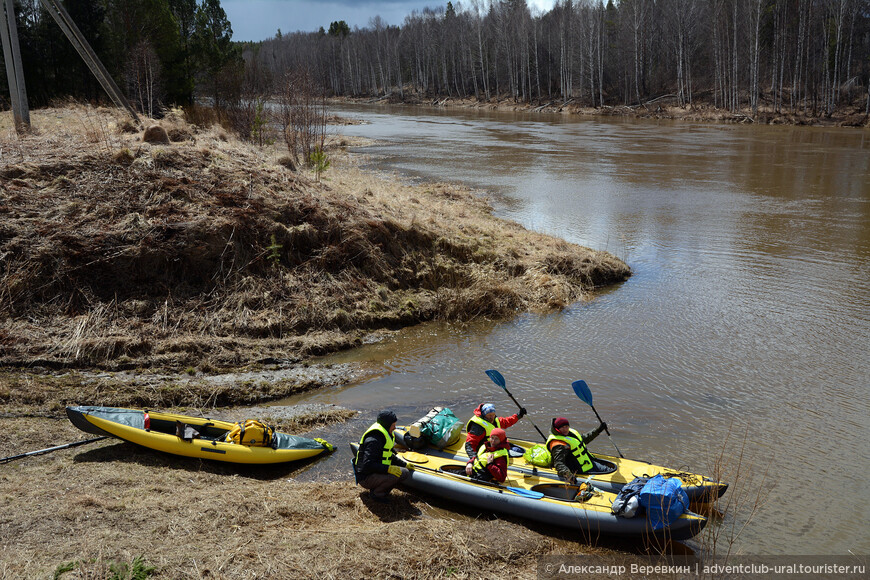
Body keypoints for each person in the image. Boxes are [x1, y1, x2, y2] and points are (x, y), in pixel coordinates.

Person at [353, 410, 410, 503]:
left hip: (374, 472)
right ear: (387, 425)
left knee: (404, 471)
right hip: (365, 477)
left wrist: (404, 464)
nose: (395, 427)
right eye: (393, 425)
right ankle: (376, 495)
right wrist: (388, 469)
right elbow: (368, 464)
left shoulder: (384, 434)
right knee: (401, 473)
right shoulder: (374, 440)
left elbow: (388, 455)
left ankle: (378, 489)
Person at [545, 417, 609, 484]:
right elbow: (558, 463)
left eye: (566, 426)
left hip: (586, 462)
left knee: (606, 469)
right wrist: (569, 476)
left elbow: (584, 439)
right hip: (578, 468)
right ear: (557, 429)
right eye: (562, 427)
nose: (565, 429)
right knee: (605, 470)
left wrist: (598, 430)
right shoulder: (558, 444)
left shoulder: (570, 433)